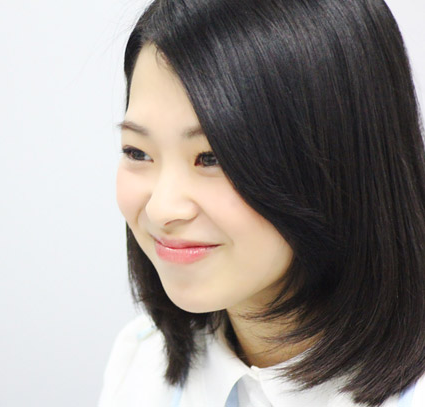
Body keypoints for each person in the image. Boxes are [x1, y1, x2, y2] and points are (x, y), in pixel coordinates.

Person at [98, 0, 425, 406]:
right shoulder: (141, 360)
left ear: (341, 154)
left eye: (211, 158)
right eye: (137, 152)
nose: (162, 209)